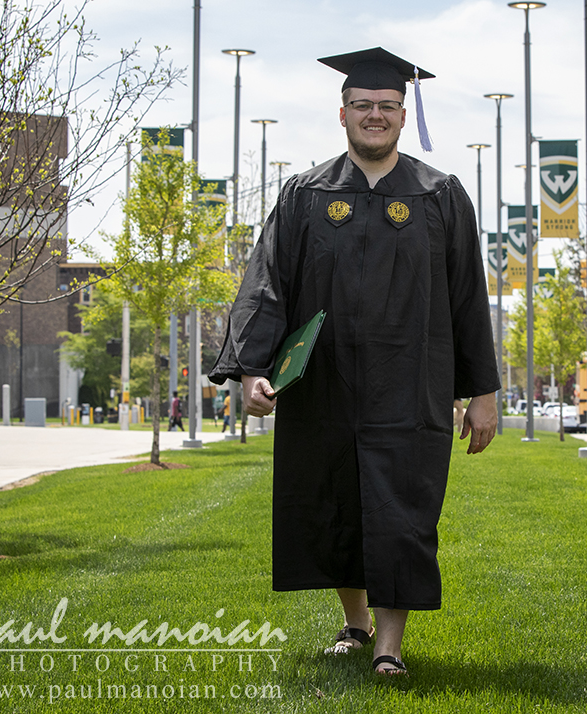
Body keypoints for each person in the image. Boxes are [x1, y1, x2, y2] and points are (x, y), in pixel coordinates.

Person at [209, 47, 499, 676]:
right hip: (325, 385)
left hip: (411, 384)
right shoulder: (306, 194)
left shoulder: (440, 196)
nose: (375, 115)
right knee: (336, 498)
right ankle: (357, 623)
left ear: (403, 114)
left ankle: (390, 648)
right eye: (363, 106)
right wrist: (253, 368)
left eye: (387, 106)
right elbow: (267, 285)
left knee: (402, 507)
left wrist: (483, 391)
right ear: (341, 113)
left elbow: (467, 298)